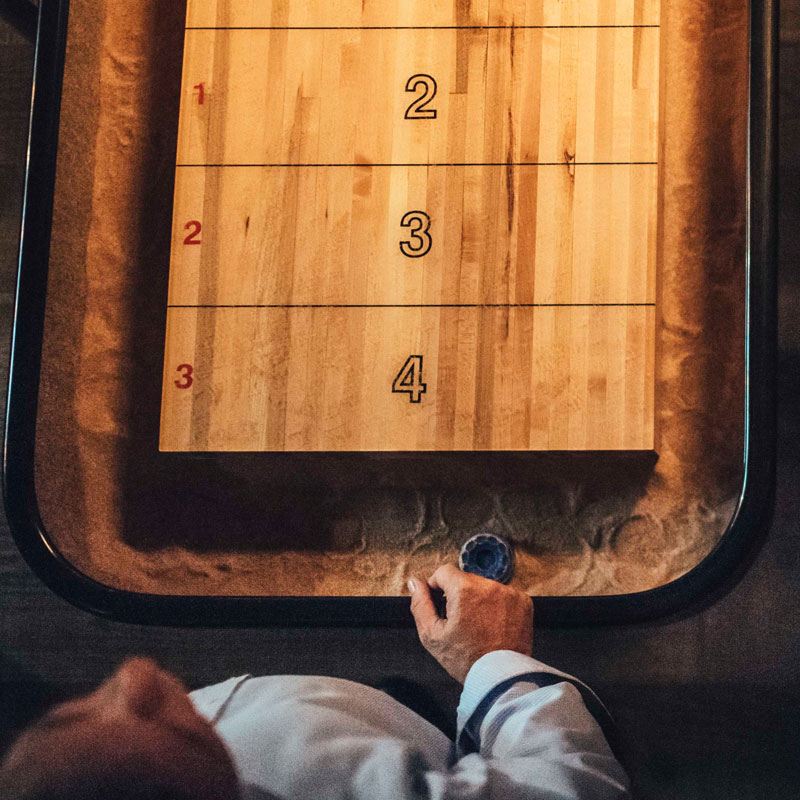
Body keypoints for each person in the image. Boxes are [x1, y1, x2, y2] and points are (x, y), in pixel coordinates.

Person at [0, 564, 630, 799]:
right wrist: (493, 662)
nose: (135, 673)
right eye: (147, 717)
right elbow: (576, 788)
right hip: (439, 747)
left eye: (65, 717)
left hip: (374, 709)